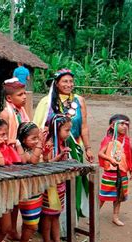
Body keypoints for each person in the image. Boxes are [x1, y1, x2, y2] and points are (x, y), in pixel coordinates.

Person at [33, 69, 94, 222]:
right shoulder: (47, 102)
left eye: (71, 81)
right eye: (65, 81)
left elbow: (84, 126)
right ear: (57, 83)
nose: (69, 84)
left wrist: (88, 148)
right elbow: (38, 126)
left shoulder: (79, 101)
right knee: (55, 186)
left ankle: (70, 223)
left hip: (75, 148)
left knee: (73, 184)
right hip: (54, 150)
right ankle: (50, 227)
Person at [0, 77, 29, 241]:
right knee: (7, 199)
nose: (24, 97)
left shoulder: (21, 111)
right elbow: (3, 136)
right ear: (10, 98)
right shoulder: (6, 113)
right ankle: (3, 233)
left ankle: (11, 230)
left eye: (24, 93)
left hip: (20, 155)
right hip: (9, 158)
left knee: (17, 198)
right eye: (20, 94)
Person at [41, 114, 72, 242]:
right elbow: (45, 164)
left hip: (59, 185)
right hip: (51, 186)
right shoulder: (50, 145)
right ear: (57, 129)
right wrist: (59, 157)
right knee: (48, 215)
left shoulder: (61, 144)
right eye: (66, 130)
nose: (69, 133)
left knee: (56, 214)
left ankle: (57, 240)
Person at [98, 114, 132, 226]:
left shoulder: (127, 141)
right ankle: (93, 216)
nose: (124, 126)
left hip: (122, 172)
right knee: (103, 196)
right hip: (110, 173)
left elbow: (129, 156)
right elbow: (100, 153)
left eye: (126, 124)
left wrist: (131, 169)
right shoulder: (108, 140)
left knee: (119, 196)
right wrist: (109, 159)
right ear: (113, 126)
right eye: (122, 124)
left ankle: (115, 217)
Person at [16, 122, 45, 242]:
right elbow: (32, 161)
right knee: (32, 224)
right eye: (33, 138)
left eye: (37, 137)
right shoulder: (20, 150)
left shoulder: (34, 148)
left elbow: (44, 161)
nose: (36, 141)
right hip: (26, 192)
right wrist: (40, 143)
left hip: (36, 189)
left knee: (30, 223)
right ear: (23, 139)